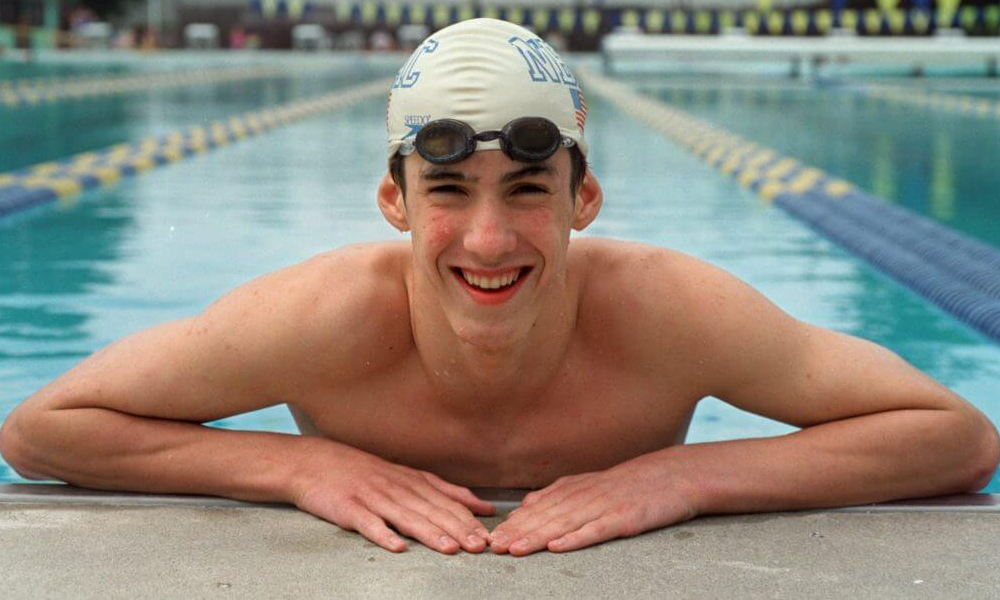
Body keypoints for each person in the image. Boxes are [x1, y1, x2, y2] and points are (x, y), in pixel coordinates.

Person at [1, 19, 997, 557]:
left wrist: (687, 479)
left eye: (527, 189)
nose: (487, 239)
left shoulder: (667, 312)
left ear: (583, 198)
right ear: (394, 201)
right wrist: (297, 467)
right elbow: (44, 431)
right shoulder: (320, 320)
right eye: (447, 191)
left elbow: (955, 439)